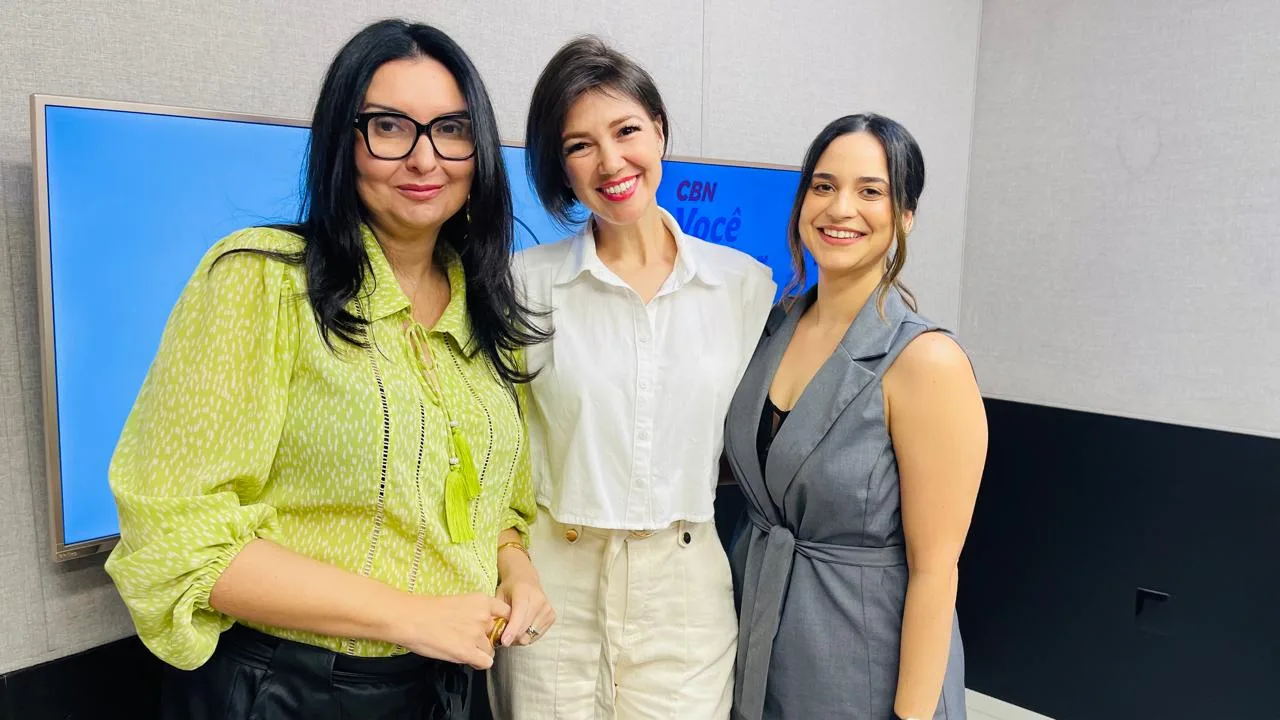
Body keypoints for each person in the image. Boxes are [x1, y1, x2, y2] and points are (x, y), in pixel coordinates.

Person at [104, 19, 554, 719]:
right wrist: (409, 615)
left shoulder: (487, 311)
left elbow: (494, 511)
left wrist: (517, 573)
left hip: (446, 685)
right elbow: (178, 536)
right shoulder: (262, 280)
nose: (424, 159)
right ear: (344, 142)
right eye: (389, 127)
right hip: (290, 688)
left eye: (451, 129)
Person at [487, 36, 776, 719]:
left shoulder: (741, 287)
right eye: (579, 145)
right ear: (561, 166)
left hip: (684, 588)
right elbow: (495, 452)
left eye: (626, 131)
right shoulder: (521, 286)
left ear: (660, 131)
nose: (610, 161)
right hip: (554, 576)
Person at [726, 114, 987, 720]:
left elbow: (935, 571)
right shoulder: (772, 328)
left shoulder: (927, 361)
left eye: (871, 191)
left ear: (904, 215)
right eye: (822, 186)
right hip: (758, 637)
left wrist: (911, 715)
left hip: (861, 662)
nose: (840, 207)